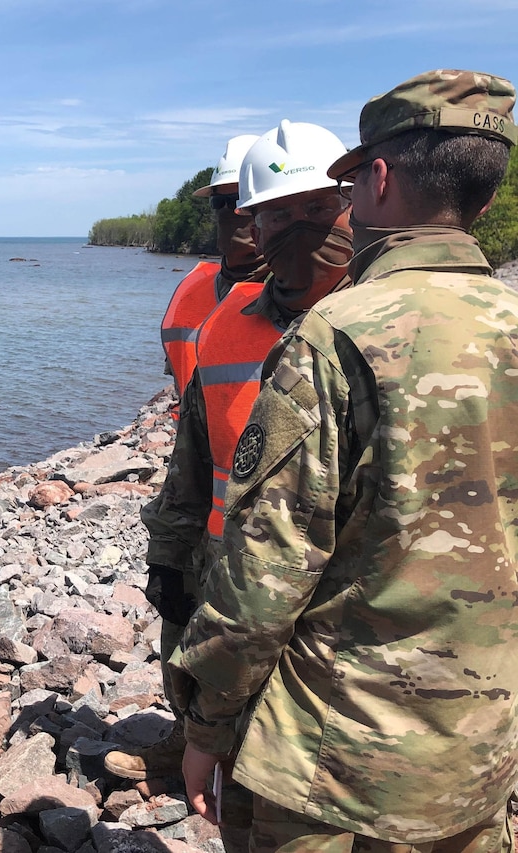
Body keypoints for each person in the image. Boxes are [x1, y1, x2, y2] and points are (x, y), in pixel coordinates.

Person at [174, 69, 518, 851]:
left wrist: (208, 722)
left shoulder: (339, 337)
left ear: (378, 178)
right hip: (481, 751)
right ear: (486, 199)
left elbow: (270, 570)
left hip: (334, 763)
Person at [123, 120, 355, 851]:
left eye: (317, 210)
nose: (292, 231)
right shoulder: (220, 321)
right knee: (252, 812)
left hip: (354, 626)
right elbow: (192, 463)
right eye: (271, 213)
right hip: (238, 597)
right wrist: (171, 558)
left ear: (355, 202)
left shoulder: (383, 328)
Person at [107, 133, 267, 782]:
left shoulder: (321, 299)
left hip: (286, 526)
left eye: (251, 203)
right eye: (225, 204)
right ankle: (190, 739)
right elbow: (190, 428)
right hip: (203, 509)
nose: (238, 218)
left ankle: (250, 771)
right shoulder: (192, 296)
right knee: (183, 636)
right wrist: (170, 546)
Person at [157, 134, 269, 421]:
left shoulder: (309, 293)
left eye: (241, 200)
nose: (231, 212)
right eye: (220, 202)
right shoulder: (189, 295)